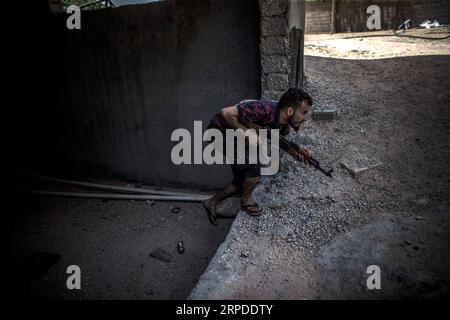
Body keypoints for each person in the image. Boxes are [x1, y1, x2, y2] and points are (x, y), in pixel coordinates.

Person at [203, 88, 313, 225]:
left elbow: (277, 140)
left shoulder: (282, 126)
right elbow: (226, 112)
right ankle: (246, 199)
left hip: (236, 137)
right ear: (290, 111)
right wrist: (246, 132)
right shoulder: (263, 109)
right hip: (219, 132)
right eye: (304, 113)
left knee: (240, 181)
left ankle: (211, 203)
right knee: (254, 165)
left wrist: (296, 152)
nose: (305, 118)